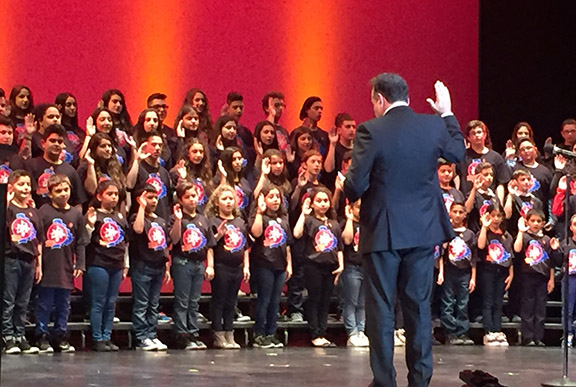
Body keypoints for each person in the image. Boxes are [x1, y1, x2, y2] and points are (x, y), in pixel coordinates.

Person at [342, 73, 465, 387]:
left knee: (382, 309)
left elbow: (355, 185)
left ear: (380, 99)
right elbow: (458, 154)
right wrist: (447, 112)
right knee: (419, 308)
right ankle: (420, 381)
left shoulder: (371, 130)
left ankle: (385, 381)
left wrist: (355, 187)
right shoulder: (433, 125)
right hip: (423, 231)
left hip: (384, 232)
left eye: (373, 101)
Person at [36, 174, 89, 353]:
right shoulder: (43, 212)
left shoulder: (76, 214)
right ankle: (42, 335)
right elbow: (37, 240)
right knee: (45, 303)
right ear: (50, 194)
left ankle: (60, 336)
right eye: (58, 191)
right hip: (47, 266)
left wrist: (80, 264)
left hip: (66, 267)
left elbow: (81, 241)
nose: (63, 194)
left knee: (64, 304)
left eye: (66, 190)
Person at [293, 187, 344, 347]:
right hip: (313, 265)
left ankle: (322, 332)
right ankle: (315, 333)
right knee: (315, 299)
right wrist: (304, 213)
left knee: (325, 300)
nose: (323, 204)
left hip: (330, 266)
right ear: (313, 203)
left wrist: (341, 265)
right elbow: (297, 233)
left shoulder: (334, 223)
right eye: (319, 201)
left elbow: (339, 247)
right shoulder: (309, 220)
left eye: (325, 201)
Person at [169, 181, 215, 350]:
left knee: (194, 301)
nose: (192, 200)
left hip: (198, 263)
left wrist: (210, 265)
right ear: (180, 200)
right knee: (183, 301)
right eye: (187, 197)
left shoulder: (203, 218)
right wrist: (178, 221)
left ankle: (193, 333)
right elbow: (173, 240)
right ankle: (182, 335)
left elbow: (209, 244)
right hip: (182, 262)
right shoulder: (176, 218)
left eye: (194, 196)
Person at [85, 181, 129, 351]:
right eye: (109, 194)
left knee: (111, 302)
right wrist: (89, 225)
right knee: (99, 301)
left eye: (116, 194)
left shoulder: (119, 217)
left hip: (116, 264)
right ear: (99, 196)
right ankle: (97, 338)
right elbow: (85, 240)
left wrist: (125, 264)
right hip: (99, 263)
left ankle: (107, 335)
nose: (113, 197)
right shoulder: (94, 215)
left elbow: (124, 243)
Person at [205, 185, 250, 349]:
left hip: (236, 266)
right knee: (219, 301)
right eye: (224, 199)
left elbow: (244, 246)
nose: (228, 202)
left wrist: (246, 267)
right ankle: (218, 334)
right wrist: (219, 235)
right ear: (217, 202)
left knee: (231, 302)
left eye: (231, 198)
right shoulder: (213, 221)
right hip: (221, 265)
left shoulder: (239, 221)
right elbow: (209, 246)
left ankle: (229, 333)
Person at [3, 170, 42, 354]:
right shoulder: (9, 209)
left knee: (23, 301)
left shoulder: (33, 211)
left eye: (28, 184)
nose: (25, 188)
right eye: (21, 184)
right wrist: (7, 202)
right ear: (12, 187)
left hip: (29, 260)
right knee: (9, 300)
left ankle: (20, 334)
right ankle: (7, 336)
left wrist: (39, 263)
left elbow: (38, 240)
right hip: (12, 259)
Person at [249, 184, 292, 348]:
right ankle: (259, 334)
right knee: (264, 300)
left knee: (275, 301)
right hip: (264, 263)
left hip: (280, 265)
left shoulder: (284, 218)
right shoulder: (260, 217)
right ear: (263, 199)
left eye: (277, 197)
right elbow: (256, 233)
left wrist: (289, 265)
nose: (275, 200)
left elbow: (287, 244)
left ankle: (271, 332)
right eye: (271, 197)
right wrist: (259, 212)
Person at [129, 184, 171, 351]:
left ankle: (151, 334)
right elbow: (138, 230)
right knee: (142, 303)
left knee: (154, 304)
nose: (153, 201)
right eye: (149, 197)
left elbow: (164, 245)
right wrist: (141, 207)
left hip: (158, 265)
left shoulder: (160, 220)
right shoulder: (136, 217)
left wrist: (167, 266)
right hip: (142, 265)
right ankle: (141, 337)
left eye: (155, 198)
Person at [514, 210, 555, 346]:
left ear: (543, 223)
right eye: (533, 221)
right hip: (527, 276)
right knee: (528, 306)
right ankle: (528, 336)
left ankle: (539, 336)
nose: (536, 224)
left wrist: (551, 279)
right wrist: (520, 232)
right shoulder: (525, 237)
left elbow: (551, 262)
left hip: (543, 277)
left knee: (540, 308)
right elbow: (517, 249)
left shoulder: (547, 240)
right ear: (527, 222)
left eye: (538, 221)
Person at [437, 202, 476, 345]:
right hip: (449, 270)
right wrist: (441, 272)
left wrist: (473, 277)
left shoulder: (469, 234)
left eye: (461, 212)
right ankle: (450, 332)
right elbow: (440, 255)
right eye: (455, 212)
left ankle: (462, 332)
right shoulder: (446, 232)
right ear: (450, 213)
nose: (458, 215)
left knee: (462, 302)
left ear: (465, 214)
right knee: (447, 301)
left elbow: (474, 258)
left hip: (464, 272)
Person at [477, 204, 514, 347]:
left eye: (499, 216)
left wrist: (511, 274)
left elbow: (510, 256)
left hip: (502, 271)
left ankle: (497, 330)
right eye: (493, 215)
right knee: (488, 301)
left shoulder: (506, 235)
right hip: (488, 271)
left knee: (498, 302)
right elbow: (480, 246)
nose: (496, 219)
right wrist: (484, 227)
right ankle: (489, 331)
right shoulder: (485, 232)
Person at [340, 199, 369, 347]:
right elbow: (347, 240)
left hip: (366, 267)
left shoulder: (368, 225)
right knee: (351, 301)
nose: (361, 210)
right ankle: (352, 332)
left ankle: (361, 331)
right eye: (358, 208)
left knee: (363, 303)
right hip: (352, 267)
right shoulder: (348, 224)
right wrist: (349, 219)